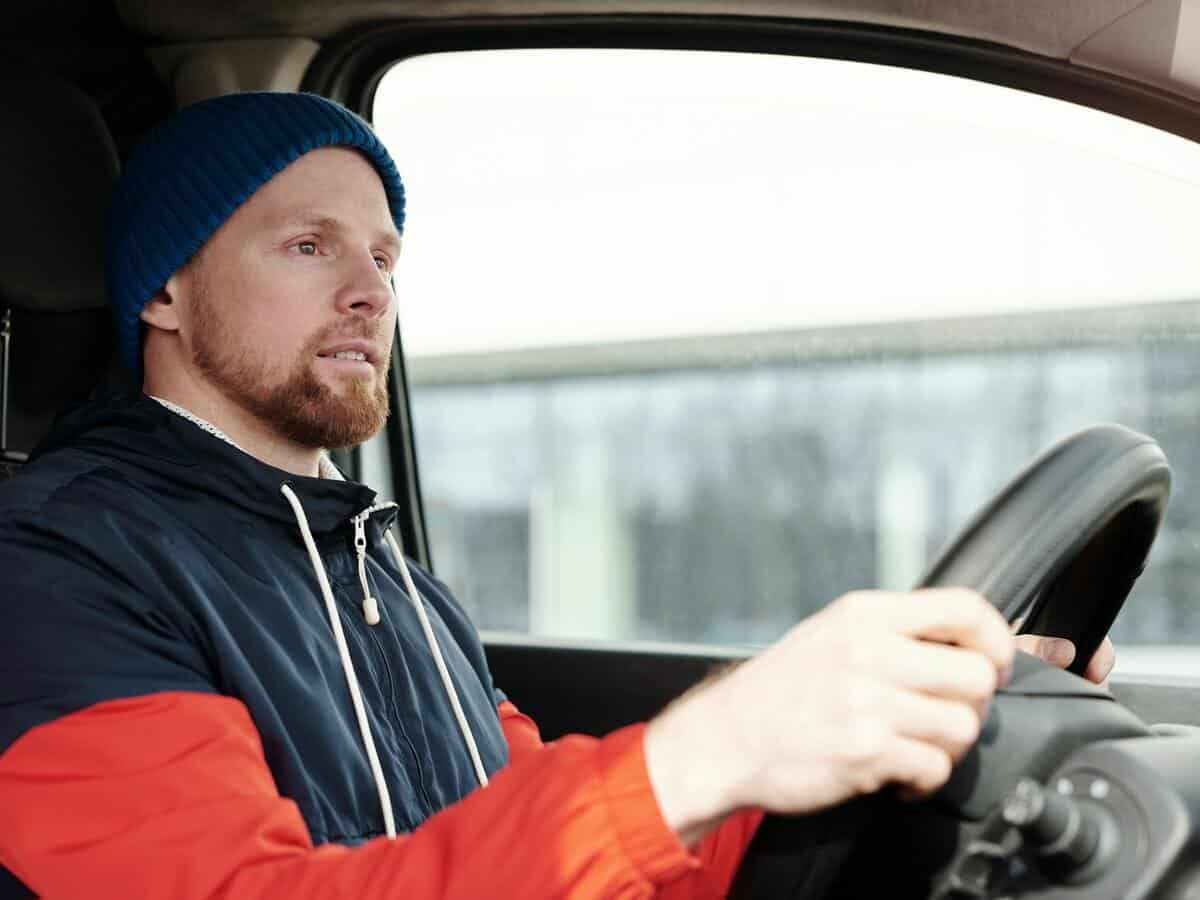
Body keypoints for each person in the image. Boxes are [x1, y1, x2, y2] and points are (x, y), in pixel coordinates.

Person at [0, 92, 1115, 899]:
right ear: (165, 293)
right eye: (308, 246)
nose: (367, 293)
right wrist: (705, 751)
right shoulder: (57, 565)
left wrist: (847, 750)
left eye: (386, 260)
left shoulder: (394, 581)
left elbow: (557, 862)